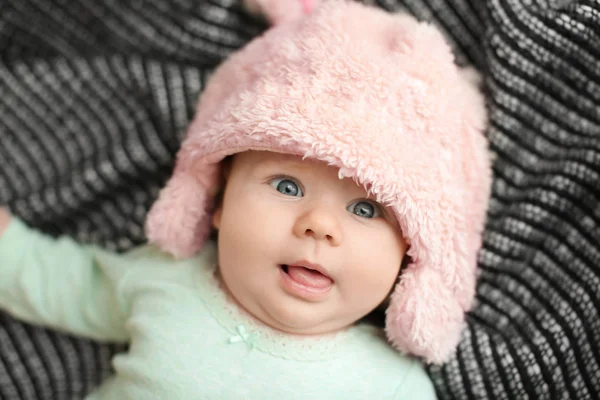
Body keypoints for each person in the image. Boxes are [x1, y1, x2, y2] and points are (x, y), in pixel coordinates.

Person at [0, 1, 491, 398]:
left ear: (411, 255)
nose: (319, 225)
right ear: (216, 202)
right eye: (286, 186)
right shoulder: (164, 280)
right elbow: (72, 285)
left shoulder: (393, 386)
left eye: (366, 209)